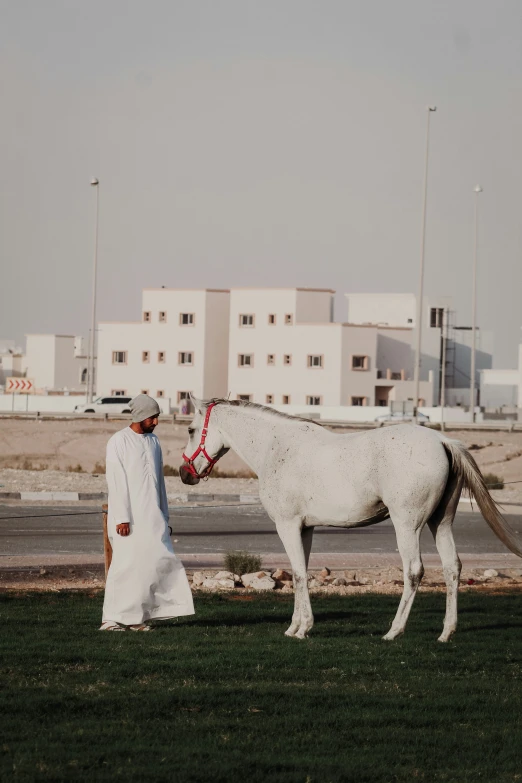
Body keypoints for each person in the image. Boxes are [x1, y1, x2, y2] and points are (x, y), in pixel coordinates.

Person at [100, 394, 194, 631]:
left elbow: (158, 482)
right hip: (128, 518)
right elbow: (116, 482)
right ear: (141, 416)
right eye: (153, 417)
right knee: (125, 567)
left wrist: (164, 514)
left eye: (156, 417)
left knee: (151, 565)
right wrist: (122, 518)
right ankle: (110, 619)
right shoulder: (118, 441)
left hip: (152, 516)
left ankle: (137, 617)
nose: (156, 422)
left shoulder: (154, 442)